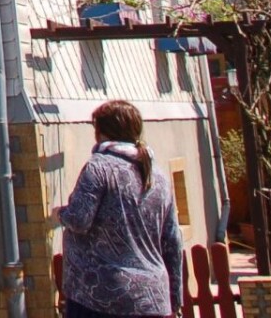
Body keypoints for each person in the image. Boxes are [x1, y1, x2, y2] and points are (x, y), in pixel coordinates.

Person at [56, 99, 184, 318]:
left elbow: (79, 219)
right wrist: (175, 299)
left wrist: (60, 214)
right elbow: (172, 240)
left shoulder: (99, 167)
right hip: (153, 298)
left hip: (99, 296)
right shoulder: (158, 176)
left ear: (101, 132)